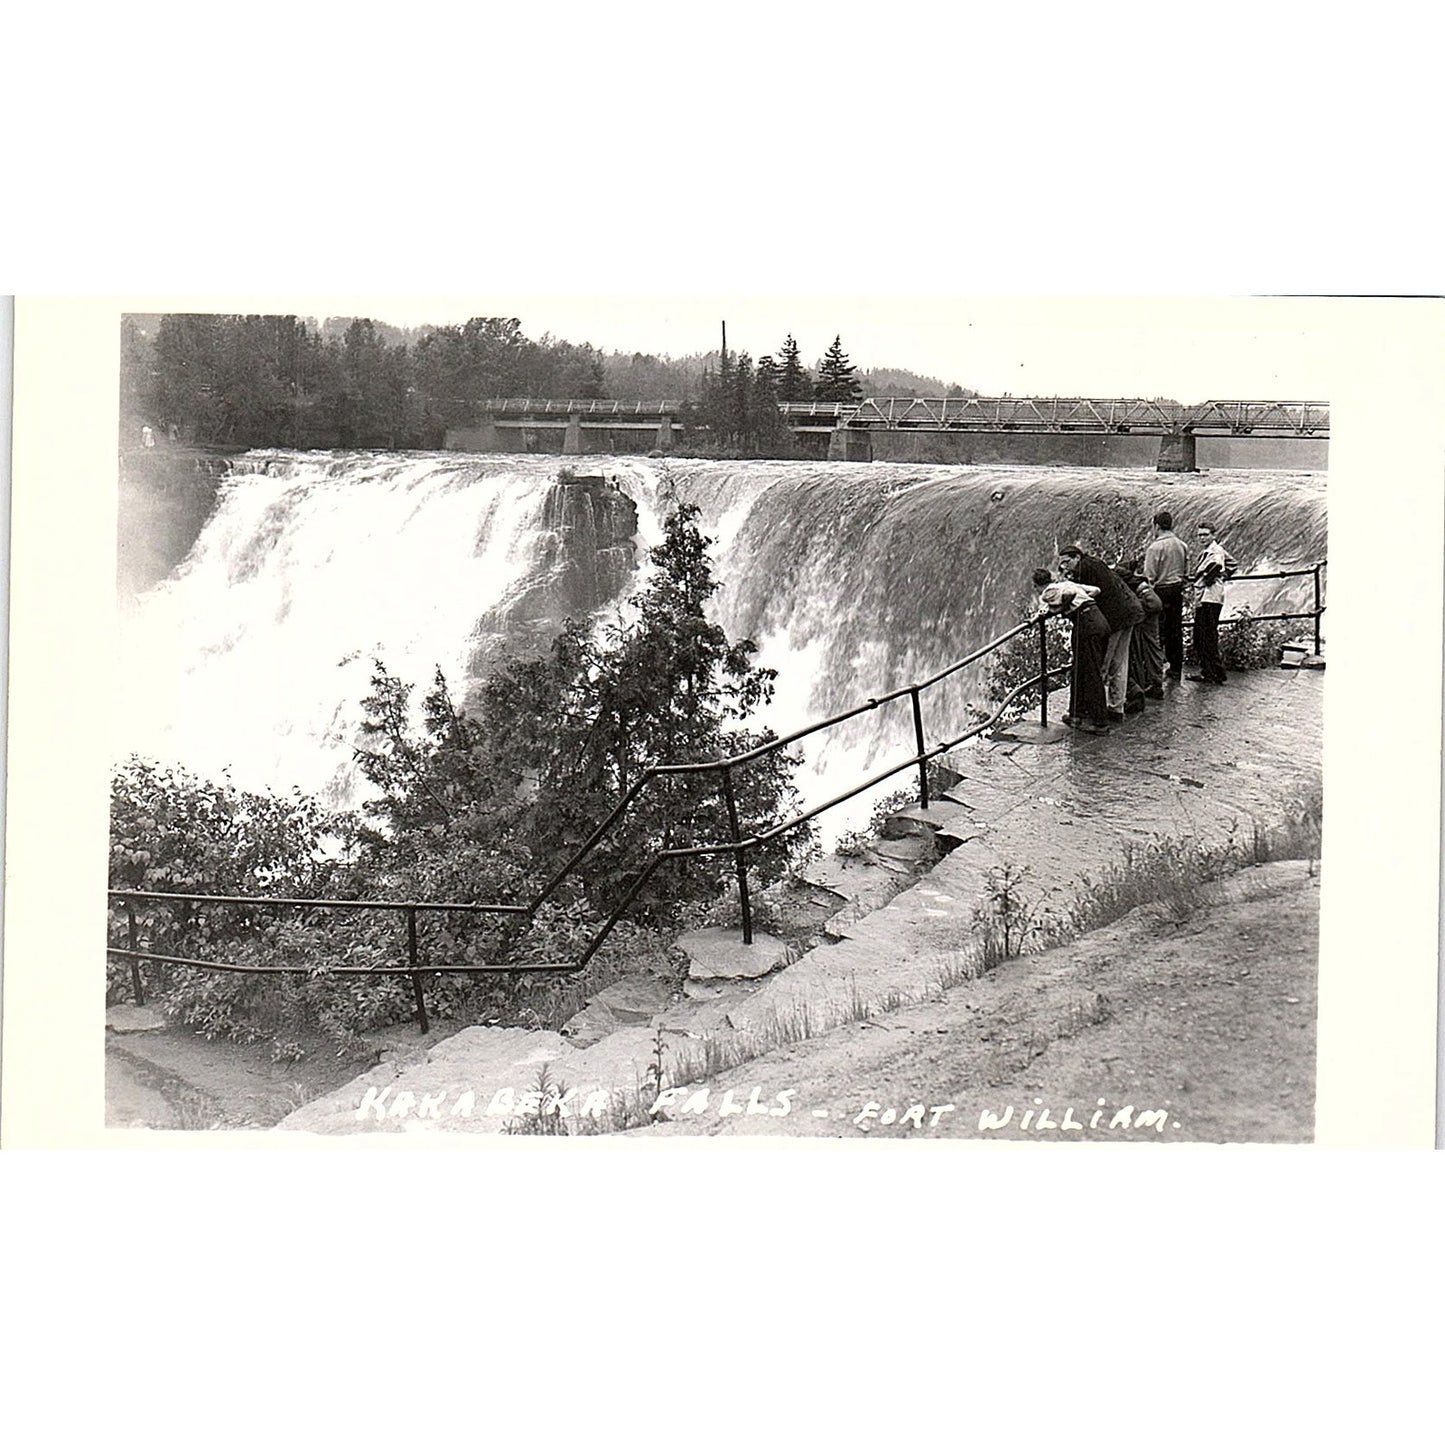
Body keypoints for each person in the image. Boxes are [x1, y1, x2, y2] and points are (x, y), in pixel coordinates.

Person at [1057, 544, 1144, 724]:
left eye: (1067, 562)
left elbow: (1085, 595)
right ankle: (1116, 708)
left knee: (1101, 665)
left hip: (1114, 619)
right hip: (1130, 612)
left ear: (1076, 558)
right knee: (1119, 663)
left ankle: (1095, 712)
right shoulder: (1094, 563)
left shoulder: (1083, 569)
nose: (1065, 567)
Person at [1032, 568, 1110, 734]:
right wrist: (1080, 603)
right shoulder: (1067, 583)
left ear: (1036, 585)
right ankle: (1075, 713)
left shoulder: (1046, 593)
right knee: (1079, 669)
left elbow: (1068, 595)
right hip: (1098, 619)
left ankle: (1100, 723)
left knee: (1091, 673)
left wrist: (1055, 610)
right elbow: (1096, 590)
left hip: (1086, 624)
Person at [1188, 522, 1238, 684]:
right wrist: (1225, 575)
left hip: (1209, 597)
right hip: (1211, 597)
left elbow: (1217, 565)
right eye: (1200, 535)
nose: (1202, 538)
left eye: (1205, 535)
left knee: (1204, 636)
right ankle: (1214, 672)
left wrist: (1208, 578)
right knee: (1206, 635)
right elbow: (1232, 564)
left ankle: (1211, 673)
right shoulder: (1216, 550)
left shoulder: (1215, 551)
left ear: (1213, 535)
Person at [1142, 510, 1188, 681]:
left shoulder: (1155, 547)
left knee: (1157, 632)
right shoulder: (1182, 545)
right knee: (1175, 630)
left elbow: (1149, 577)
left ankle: (1154, 671)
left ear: (1156, 526)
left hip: (1160, 591)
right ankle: (1176, 668)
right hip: (1177, 590)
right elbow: (1186, 571)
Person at [1118, 560, 1166, 703]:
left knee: (1138, 645)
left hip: (1145, 602)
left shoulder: (1117, 575)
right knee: (1152, 643)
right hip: (1153, 599)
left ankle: (1142, 683)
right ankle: (1156, 683)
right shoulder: (1136, 578)